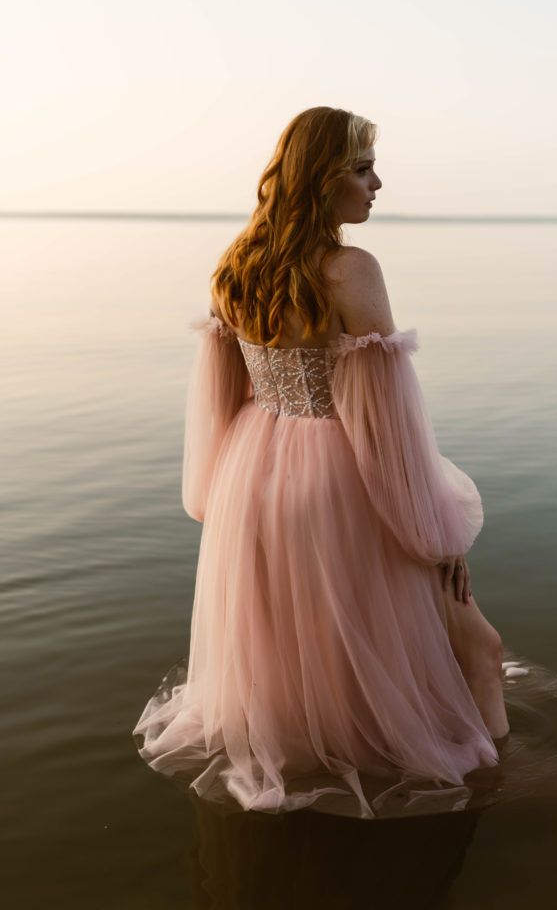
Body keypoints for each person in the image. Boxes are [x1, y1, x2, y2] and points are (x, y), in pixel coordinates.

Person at [134, 106, 509, 819]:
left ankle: (320, 792)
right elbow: (386, 424)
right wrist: (437, 537)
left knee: (309, 654)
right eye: (362, 170)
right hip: (339, 480)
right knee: (480, 649)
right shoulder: (349, 270)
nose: (377, 184)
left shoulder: (237, 266)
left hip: (251, 476)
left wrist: (225, 495)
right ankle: (494, 799)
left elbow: (221, 396)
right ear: (322, 180)